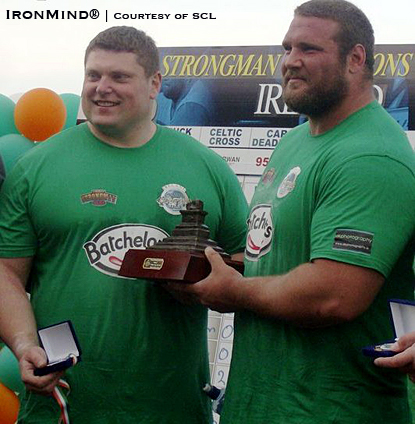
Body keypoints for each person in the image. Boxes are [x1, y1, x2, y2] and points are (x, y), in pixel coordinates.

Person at [167, 1, 415, 423]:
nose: (290, 62)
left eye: (309, 49)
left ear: (355, 59)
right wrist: (204, 267)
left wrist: (233, 292)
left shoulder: (369, 155)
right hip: (261, 402)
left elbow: (334, 294)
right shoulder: (296, 140)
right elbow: (274, 256)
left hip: (329, 408)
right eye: (287, 48)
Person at [0, 26, 248, 423]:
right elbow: (6, 274)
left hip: (172, 405)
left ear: (155, 84)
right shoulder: (36, 167)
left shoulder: (207, 167)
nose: (102, 88)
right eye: (93, 75)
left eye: (119, 77)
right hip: (63, 404)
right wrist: (25, 342)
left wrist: (209, 286)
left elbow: (243, 259)